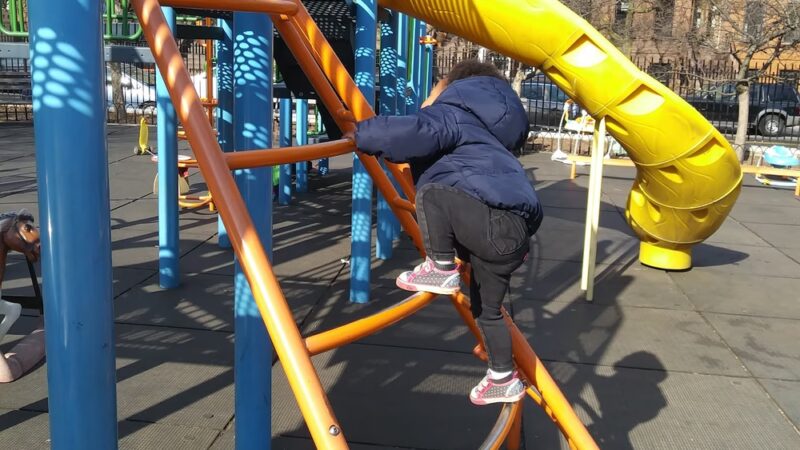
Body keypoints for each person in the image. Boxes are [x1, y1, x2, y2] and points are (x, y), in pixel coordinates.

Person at [345, 60, 543, 405]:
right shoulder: (492, 137)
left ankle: (440, 268)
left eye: (435, 87)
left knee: (433, 193)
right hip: (515, 237)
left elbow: (413, 131)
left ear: (452, 87)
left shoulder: (454, 112)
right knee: (488, 311)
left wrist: (361, 134)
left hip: (491, 225)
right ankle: (502, 377)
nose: (429, 95)